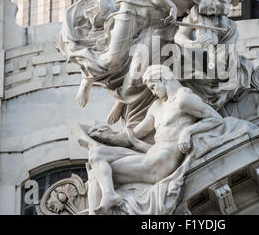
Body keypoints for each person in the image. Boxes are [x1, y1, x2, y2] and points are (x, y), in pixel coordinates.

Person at [72, 65, 225, 215]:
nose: (153, 92)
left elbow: (216, 119)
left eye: (153, 86)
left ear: (162, 79)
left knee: (98, 174)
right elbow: (132, 135)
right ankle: (109, 194)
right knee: (97, 155)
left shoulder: (183, 100)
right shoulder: (157, 106)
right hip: (148, 156)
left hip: (160, 164)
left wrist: (188, 131)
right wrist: (106, 136)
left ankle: (107, 198)